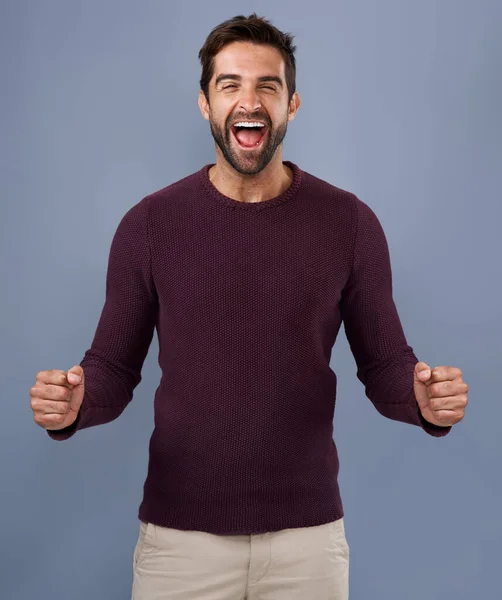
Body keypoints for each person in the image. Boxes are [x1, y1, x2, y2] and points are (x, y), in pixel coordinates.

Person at [29, 13, 469, 600]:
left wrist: (424, 402)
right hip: (180, 544)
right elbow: (110, 368)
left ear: (292, 105)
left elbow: (387, 364)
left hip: (306, 545)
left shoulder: (349, 224)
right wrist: (76, 405)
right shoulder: (151, 225)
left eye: (268, 85)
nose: (249, 99)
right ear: (205, 104)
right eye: (230, 84)